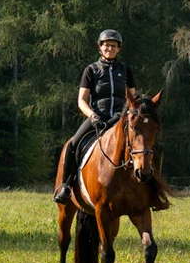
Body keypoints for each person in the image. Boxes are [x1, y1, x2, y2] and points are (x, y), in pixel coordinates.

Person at [52, 29, 137, 205]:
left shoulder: (125, 70)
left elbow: (132, 99)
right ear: (100, 47)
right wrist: (93, 116)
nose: (110, 49)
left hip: (120, 118)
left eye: (113, 46)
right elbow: (81, 100)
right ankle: (66, 187)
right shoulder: (91, 70)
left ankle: (151, 190)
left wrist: (125, 115)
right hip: (98, 117)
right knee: (73, 145)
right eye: (106, 45)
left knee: (147, 144)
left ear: (119, 49)